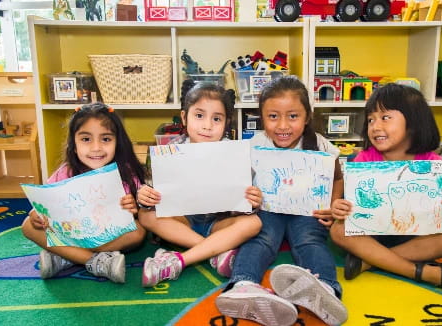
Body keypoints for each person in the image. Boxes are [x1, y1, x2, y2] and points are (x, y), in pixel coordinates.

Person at [215, 75, 348, 326]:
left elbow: (338, 178)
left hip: (308, 211)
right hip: (269, 208)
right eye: (273, 116)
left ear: (307, 116)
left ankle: (326, 289)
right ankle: (243, 284)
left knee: (310, 241)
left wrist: (332, 204)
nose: (282, 125)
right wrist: (249, 197)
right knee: (261, 239)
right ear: (261, 117)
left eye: (293, 116)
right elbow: (243, 182)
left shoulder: (320, 144)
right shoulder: (256, 144)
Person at [330, 83, 442, 293]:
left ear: (414, 123)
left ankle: (370, 261)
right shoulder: (364, 160)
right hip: (372, 234)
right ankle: (420, 272)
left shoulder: (432, 163)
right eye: (371, 119)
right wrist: (340, 209)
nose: (375, 126)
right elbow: (351, 211)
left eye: (385, 117)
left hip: (414, 235)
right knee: (338, 230)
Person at [137, 80, 263, 287]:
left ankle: (180, 260)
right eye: (199, 115)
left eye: (217, 118)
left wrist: (252, 202)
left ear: (226, 123)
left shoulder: (235, 153)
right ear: (184, 117)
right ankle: (214, 252)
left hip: (218, 223)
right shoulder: (170, 151)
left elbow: (246, 203)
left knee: (254, 223)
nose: (207, 125)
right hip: (182, 222)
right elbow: (152, 195)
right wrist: (145, 196)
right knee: (145, 215)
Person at [21, 102, 147, 283]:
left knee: (138, 232)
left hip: (107, 236)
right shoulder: (64, 172)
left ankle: (67, 257)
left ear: (117, 143)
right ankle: (92, 261)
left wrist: (132, 208)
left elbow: (136, 213)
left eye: (106, 139)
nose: (96, 148)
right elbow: (43, 205)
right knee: (27, 225)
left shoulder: (125, 172)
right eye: (86, 139)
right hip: (72, 233)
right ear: (74, 144)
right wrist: (37, 215)